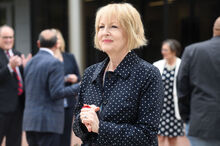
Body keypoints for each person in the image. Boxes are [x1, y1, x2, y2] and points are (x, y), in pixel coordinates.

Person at [73, 3, 164, 146]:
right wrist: (83, 120)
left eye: (113, 26)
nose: (105, 32)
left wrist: (100, 128)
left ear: (130, 31)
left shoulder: (148, 74)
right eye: (101, 27)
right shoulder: (90, 73)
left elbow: (147, 134)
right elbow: (77, 127)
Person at [23, 29, 80, 146]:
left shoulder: (29, 62)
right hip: (48, 122)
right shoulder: (55, 63)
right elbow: (56, 93)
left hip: (30, 122)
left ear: (38, 44)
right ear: (56, 45)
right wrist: (78, 87)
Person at [177, 16, 220, 146]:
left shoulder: (193, 51)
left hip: (201, 122)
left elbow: (182, 87)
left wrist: (187, 117)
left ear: (214, 29)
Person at [153, 39, 189, 146]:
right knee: (159, 137)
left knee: (173, 138)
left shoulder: (182, 65)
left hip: (175, 108)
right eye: (162, 49)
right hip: (160, 108)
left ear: (173, 51)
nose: (163, 52)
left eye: (165, 50)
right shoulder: (157, 65)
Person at [0, 25, 31, 146]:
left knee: (15, 142)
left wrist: (27, 68)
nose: (8, 40)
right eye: (5, 37)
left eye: (11, 37)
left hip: (18, 108)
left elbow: (24, 80)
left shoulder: (17, 54)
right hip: (2, 110)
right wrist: (9, 67)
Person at [53, 29, 81, 146]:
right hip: (53, 104)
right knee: (53, 137)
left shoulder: (69, 57)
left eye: (58, 38)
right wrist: (65, 79)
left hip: (68, 104)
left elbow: (79, 77)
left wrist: (75, 78)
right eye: (54, 38)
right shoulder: (47, 58)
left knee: (66, 138)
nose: (57, 41)